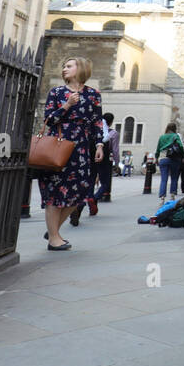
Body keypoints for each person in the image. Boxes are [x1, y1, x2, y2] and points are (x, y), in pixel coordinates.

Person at [36, 57, 104, 251]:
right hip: (58, 144)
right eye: (64, 66)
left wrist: (99, 145)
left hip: (81, 147)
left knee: (80, 192)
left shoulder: (93, 95)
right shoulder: (57, 92)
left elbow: (97, 121)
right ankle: (54, 238)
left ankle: (53, 230)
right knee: (54, 191)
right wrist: (66, 105)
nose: (64, 69)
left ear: (80, 68)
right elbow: (48, 120)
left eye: (69, 66)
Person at [155, 122, 184, 200]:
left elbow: (158, 149)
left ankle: (162, 197)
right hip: (174, 158)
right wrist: (183, 156)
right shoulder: (175, 136)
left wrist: (156, 158)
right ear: (175, 128)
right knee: (174, 178)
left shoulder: (162, 137)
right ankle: (172, 195)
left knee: (164, 179)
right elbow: (181, 146)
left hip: (163, 158)